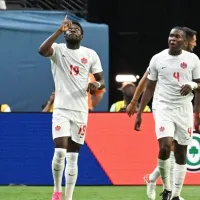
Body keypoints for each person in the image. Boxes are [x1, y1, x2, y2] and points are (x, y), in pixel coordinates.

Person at [126, 27, 198, 200]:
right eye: (194, 40)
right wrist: (136, 105)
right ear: (187, 40)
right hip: (163, 106)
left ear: (183, 40)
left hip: (183, 109)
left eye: (177, 36)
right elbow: (146, 81)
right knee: (166, 147)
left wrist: (196, 109)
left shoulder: (193, 60)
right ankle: (167, 190)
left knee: (177, 152)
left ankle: (158, 183)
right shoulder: (159, 58)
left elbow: (199, 84)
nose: (195, 43)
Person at [38, 16, 105, 200]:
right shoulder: (58, 50)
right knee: (59, 151)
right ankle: (57, 191)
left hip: (81, 111)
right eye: (69, 29)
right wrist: (59, 30)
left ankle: (68, 197)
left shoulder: (90, 54)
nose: (72, 30)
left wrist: (96, 85)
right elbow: (41, 50)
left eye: (76, 29)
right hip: (61, 109)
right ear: (64, 34)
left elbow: (101, 79)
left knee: (73, 157)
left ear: (82, 36)